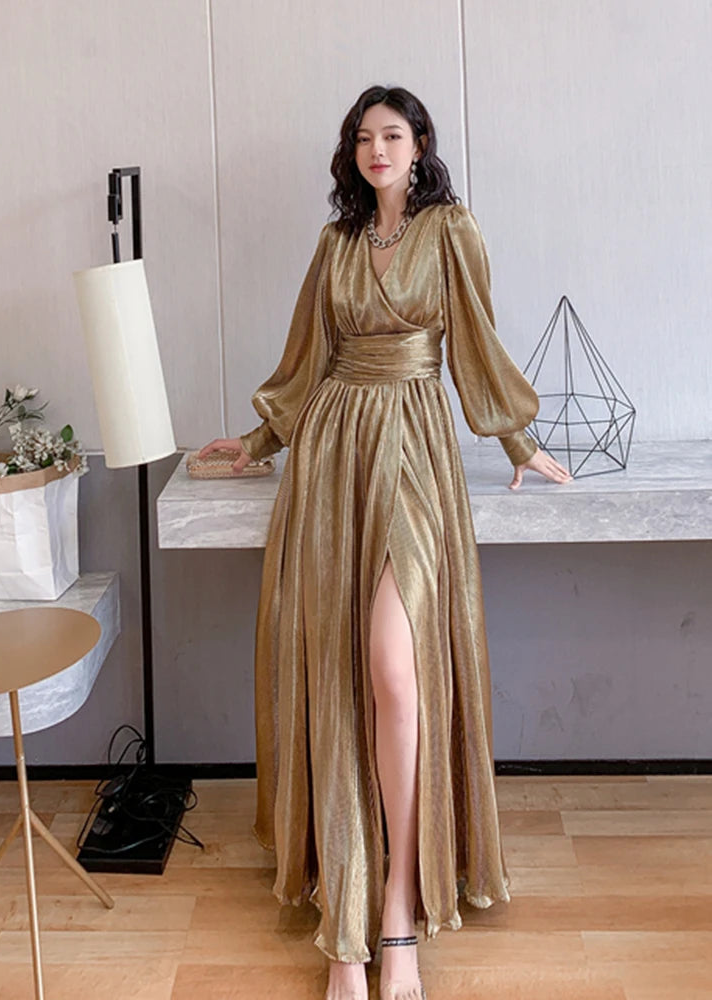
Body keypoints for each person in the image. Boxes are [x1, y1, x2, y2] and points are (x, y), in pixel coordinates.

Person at [199, 84, 572, 1000]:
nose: (377, 149)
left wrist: (518, 441)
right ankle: (349, 929)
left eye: (392, 134)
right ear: (353, 152)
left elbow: (477, 342)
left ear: (420, 144)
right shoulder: (335, 243)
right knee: (340, 674)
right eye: (364, 137)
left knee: (395, 672)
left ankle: (398, 905)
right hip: (333, 453)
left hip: (415, 443)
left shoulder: (452, 230)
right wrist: (256, 442)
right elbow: (307, 360)